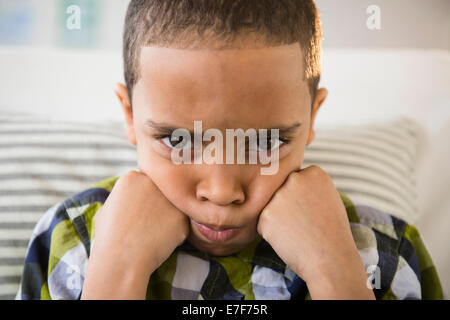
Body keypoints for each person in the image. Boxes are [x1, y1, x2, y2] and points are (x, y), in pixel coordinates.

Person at [16, 0, 443, 300]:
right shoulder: (73, 245)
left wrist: (335, 272)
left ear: (312, 118)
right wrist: (117, 270)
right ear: (129, 116)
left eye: (265, 142)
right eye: (177, 140)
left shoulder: (384, 254)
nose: (221, 192)